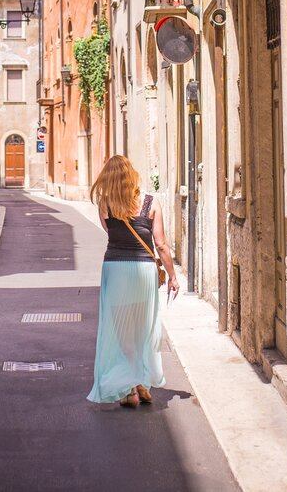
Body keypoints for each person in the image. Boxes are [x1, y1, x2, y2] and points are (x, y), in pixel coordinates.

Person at [86, 155, 180, 408]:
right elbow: (161, 244)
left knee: (122, 331)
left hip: (116, 268)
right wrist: (172, 275)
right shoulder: (150, 202)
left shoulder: (105, 204)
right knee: (141, 328)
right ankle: (141, 383)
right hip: (143, 271)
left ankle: (130, 389)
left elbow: (111, 233)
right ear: (132, 174)